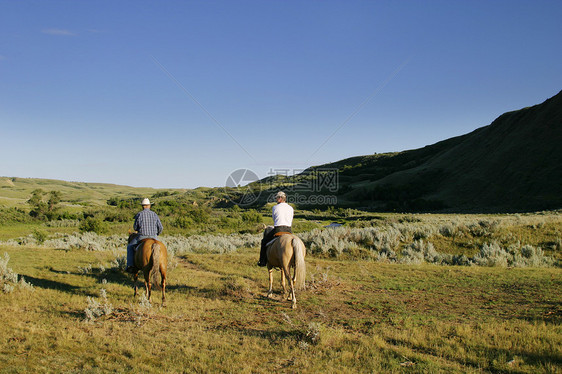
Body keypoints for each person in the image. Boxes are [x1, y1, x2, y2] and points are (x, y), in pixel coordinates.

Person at [126, 198, 163, 273]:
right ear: (149, 206)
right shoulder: (154, 214)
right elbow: (160, 227)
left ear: (142, 206)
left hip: (142, 236)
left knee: (130, 246)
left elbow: (135, 227)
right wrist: (156, 234)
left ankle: (130, 265)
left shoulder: (139, 214)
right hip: (154, 237)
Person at [258, 191, 294, 266]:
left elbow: (274, 219)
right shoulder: (291, 208)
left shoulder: (275, 207)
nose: (276, 199)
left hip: (278, 229)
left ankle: (262, 261)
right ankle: (294, 262)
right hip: (289, 230)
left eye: (277, 198)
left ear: (280, 198)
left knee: (264, 241)